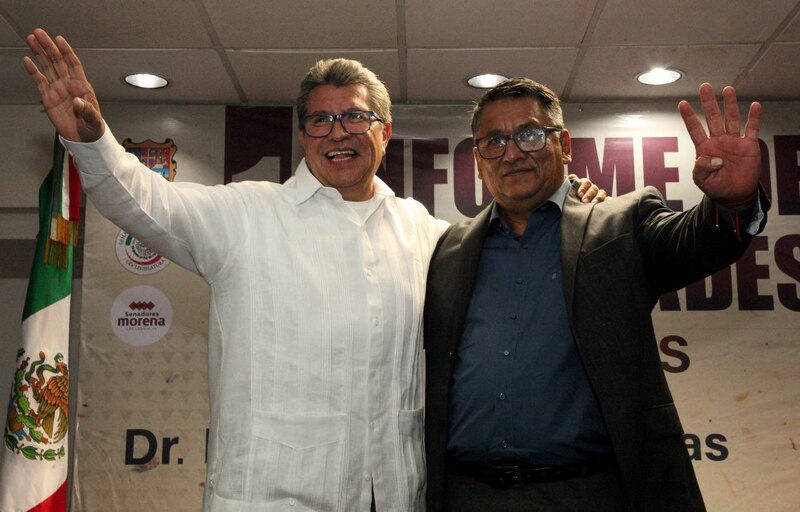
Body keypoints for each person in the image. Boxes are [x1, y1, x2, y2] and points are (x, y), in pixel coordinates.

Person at [21, 27, 605, 512]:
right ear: (302, 137)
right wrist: (92, 140)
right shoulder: (246, 215)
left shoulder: (423, 231)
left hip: (396, 497)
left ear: (385, 131)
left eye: (355, 118)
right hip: (267, 500)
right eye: (320, 122)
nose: (338, 133)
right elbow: (147, 202)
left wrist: (570, 202)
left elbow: (511, 246)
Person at [423, 77, 768, 511]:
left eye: (529, 135)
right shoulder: (448, 249)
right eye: (494, 141)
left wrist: (733, 203)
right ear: (477, 159)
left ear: (564, 144)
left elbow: (695, 243)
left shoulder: (620, 223)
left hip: (592, 493)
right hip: (467, 496)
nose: (511, 153)